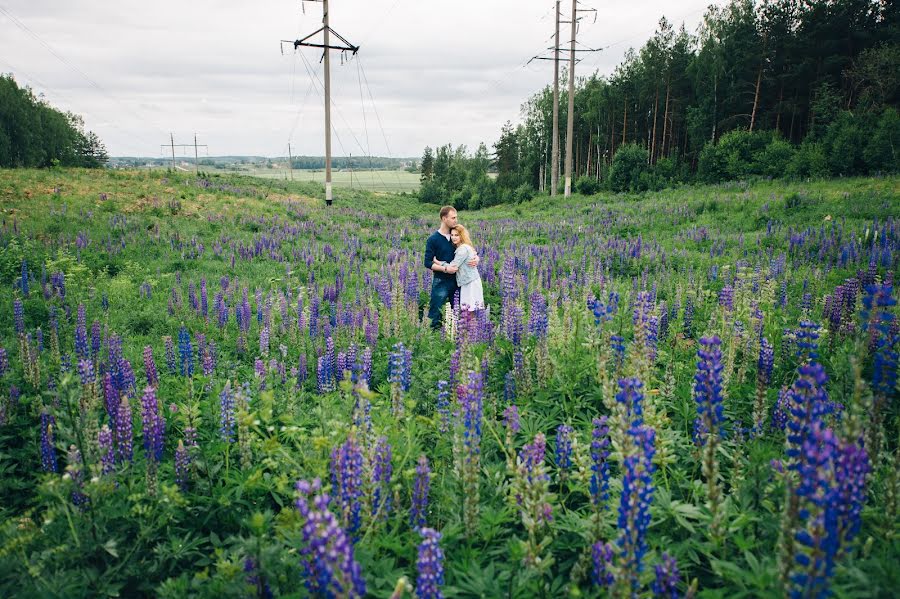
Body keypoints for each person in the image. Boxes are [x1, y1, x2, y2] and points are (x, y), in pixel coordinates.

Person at [423, 206, 478, 330]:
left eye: (456, 217)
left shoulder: (456, 235)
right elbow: (427, 262)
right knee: (435, 313)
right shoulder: (433, 239)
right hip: (441, 281)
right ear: (444, 218)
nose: (456, 220)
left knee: (459, 314)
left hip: (458, 281)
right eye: (453, 218)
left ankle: (457, 341)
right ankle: (433, 341)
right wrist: (445, 269)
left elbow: (470, 250)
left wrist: (476, 258)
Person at [434, 224, 484, 311]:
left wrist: (438, 262)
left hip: (469, 282)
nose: (453, 238)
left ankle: (470, 325)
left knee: (469, 309)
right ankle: (470, 325)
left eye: (456, 235)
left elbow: (453, 267)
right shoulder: (464, 247)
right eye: (452, 235)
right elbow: (474, 254)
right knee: (470, 309)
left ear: (462, 235)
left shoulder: (462, 249)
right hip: (470, 280)